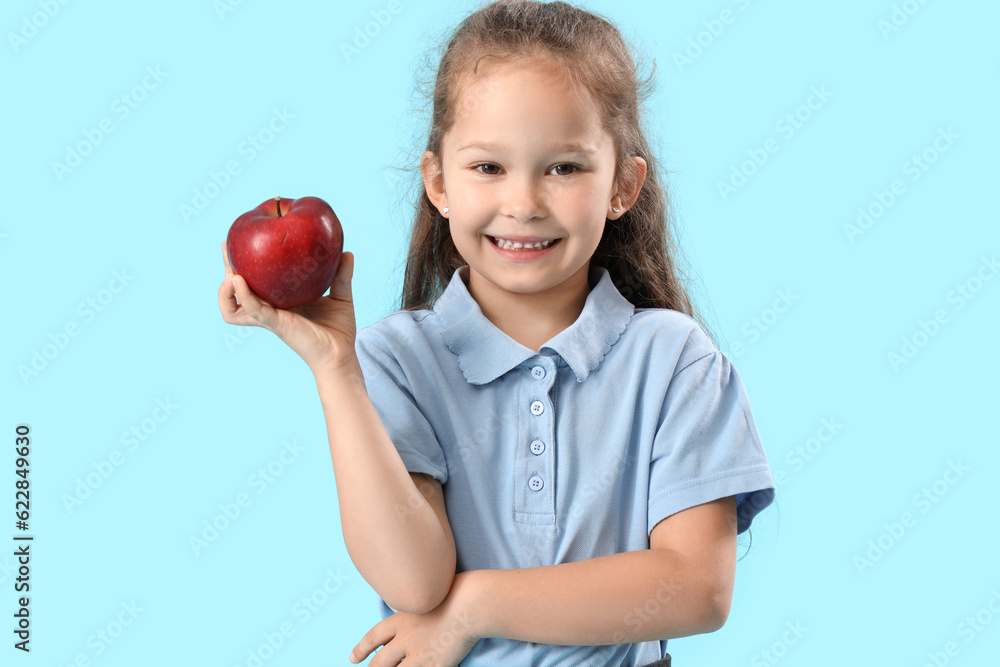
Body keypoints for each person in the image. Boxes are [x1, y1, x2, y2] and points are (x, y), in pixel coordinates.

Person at [219, 1, 776, 665]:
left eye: (564, 167)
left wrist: (475, 605)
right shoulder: (396, 359)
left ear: (623, 186)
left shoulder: (675, 360)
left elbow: (696, 589)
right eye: (489, 167)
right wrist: (334, 368)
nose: (524, 202)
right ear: (439, 182)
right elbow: (415, 581)